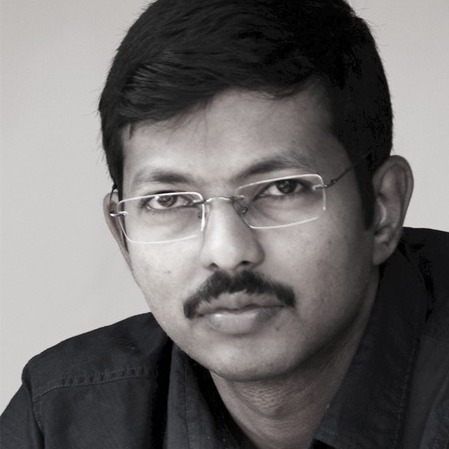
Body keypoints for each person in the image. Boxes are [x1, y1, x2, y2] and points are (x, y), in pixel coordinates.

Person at [1, 0, 448, 447]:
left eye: (282, 189)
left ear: (383, 208)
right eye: (168, 200)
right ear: (123, 236)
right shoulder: (59, 421)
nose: (226, 251)